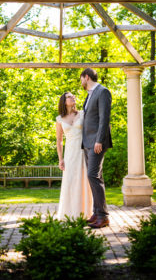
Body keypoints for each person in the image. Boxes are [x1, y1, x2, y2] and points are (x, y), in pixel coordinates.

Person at [80, 68, 113, 228]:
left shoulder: (103, 92)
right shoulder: (89, 95)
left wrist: (99, 140)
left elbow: (104, 119)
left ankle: (103, 216)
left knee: (93, 175)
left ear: (86, 77)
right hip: (87, 142)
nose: (81, 83)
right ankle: (96, 212)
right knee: (95, 177)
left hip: (97, 143)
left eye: (81, 79)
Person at [55, 92, 93, 220]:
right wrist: (60, 159)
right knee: (70, 181)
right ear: (64, 101)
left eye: (73, 96)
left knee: (83, 180)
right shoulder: (59, 119)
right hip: (69, 153)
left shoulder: (82, 114)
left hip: (83, 151)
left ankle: (86, 213)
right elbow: (59, 140)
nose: (73, 97)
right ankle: (70, 213)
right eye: (69, 96)